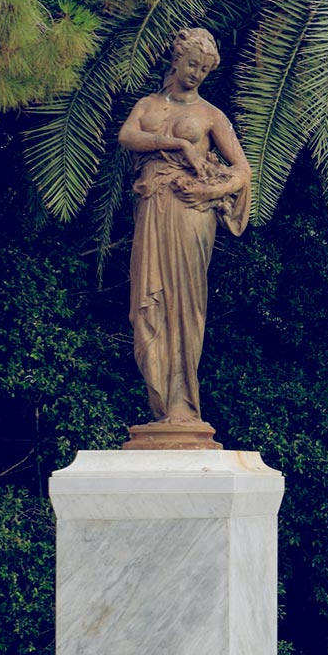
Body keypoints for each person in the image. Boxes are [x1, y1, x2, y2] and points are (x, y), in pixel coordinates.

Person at [116, 27, 252, 436]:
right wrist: (178, 146)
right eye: (192, 64)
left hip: (190, 210)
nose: (196, 74)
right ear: (176, 59)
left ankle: (183, 405)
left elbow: (243, 172)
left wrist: (210, 188)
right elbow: (127, 137)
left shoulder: (211, 116)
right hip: (153, 206)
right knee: (147, 302)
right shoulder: (147, 104)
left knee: (186, 302)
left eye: (204, 69)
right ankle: (161, 406)